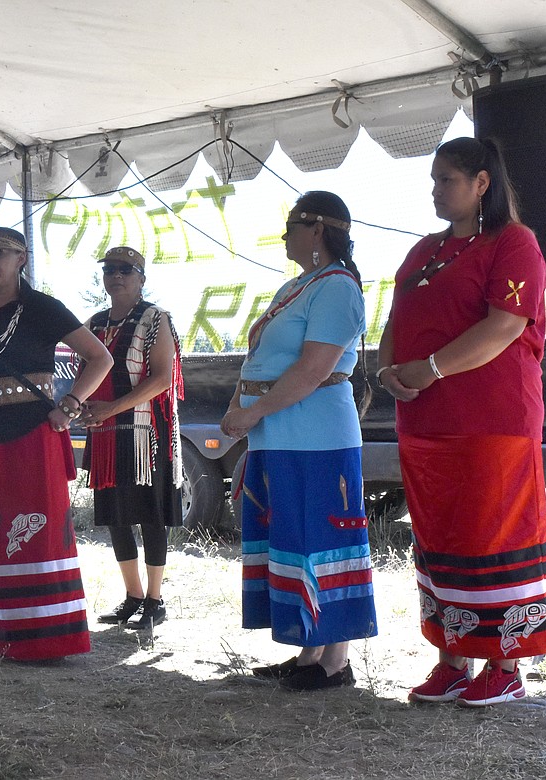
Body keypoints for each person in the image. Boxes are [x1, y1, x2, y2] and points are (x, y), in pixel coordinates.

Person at [379, 137, 546, 707]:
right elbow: (397, 317)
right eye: (433, 179)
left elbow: (505, 325)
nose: (435, 190)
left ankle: (505, 666)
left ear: (483, 183)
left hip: (491, 420)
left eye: (447, 180)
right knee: (440, 539)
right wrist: (387, 369)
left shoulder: (514, 243)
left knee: (494, 533)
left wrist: (430, 368)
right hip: (424, 421)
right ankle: (453, 662)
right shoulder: (424, 250)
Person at [221, 191, 377, 692]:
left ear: (317, 230)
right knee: (291, 535)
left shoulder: (338, 287)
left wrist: (253, 412)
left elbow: (313, 369)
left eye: (292, 224)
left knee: (323, 535)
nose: (285, 233)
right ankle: (311, 651)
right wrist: (237, 408)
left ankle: (336, 660)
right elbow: (261, 361)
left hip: (317, 436)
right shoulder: (296, 286)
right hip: (277, 433)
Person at [0, 226, 112, 661]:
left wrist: (72, 403)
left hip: (31, 437)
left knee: (34, 534)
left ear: (21, 258)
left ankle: (46, 641)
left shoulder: (43, 308)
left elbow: (101, 357)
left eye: (0, 253)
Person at [80, 246, 183, 630]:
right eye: (110, 270)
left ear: (142, 278)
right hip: (106, 432)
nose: (117, 276)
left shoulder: (156, 319)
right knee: (116, 517)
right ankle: (133, 595)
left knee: (150, 514)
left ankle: (156, 600)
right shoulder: (93, 324)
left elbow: (161, 379)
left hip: (146, 433)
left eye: (126, 270)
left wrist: (111, 407)